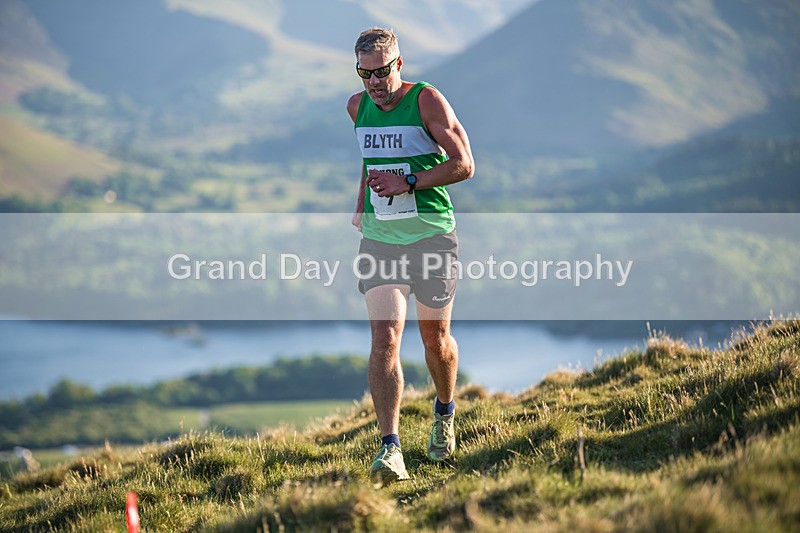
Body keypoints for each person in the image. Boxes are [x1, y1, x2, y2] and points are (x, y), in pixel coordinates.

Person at [346, 27, 475, 484]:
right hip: (382, 240)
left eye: (382, 71)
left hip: (432, 237)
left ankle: (444, 412)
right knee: (385, 340)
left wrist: (411, 183)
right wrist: (363, 196)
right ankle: (390, 448)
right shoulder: (356, 107)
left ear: (399, 63)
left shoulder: (426, 101)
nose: (375, 83)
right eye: (366, 73)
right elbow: (370, 158)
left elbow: (464, 163)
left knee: (435, 341)